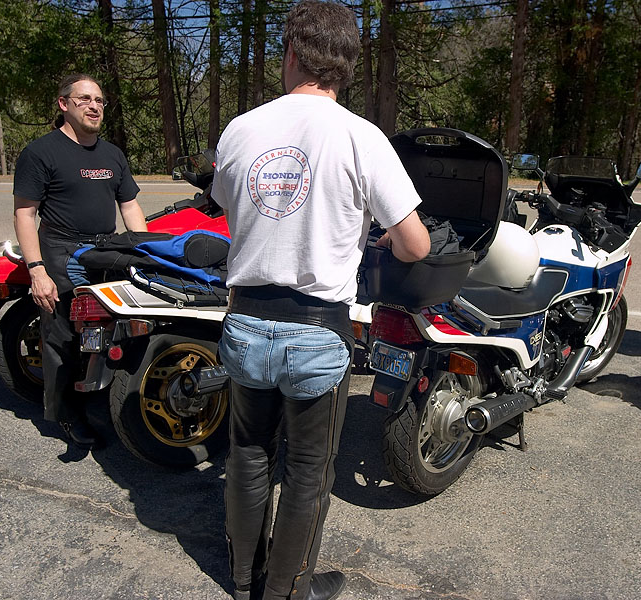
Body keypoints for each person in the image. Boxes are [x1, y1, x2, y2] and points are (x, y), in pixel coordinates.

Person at [211, 2, 431, 599]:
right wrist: (377, 235)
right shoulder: (362, 136)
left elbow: (230, 204)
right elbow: (415, 243)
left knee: (248, 454)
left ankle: (243, 581)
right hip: (316, 329)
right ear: (347, 66)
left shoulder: (241, 130)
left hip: (246, 321)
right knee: (308, 471)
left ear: (291, 53)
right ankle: (287, 591)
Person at [13, 73, 147, 449]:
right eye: (84, 99)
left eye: (99, 100)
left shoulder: (112, 154)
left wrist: (147, 251)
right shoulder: (40, 152)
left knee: (112, 328)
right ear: (63, 104)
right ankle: (67, 414)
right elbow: (25, 214)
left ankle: (104, 393)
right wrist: (37, 271)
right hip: (61, 250)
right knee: (64, 336)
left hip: (105, 250)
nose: (94, 106)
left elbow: (130, 206)